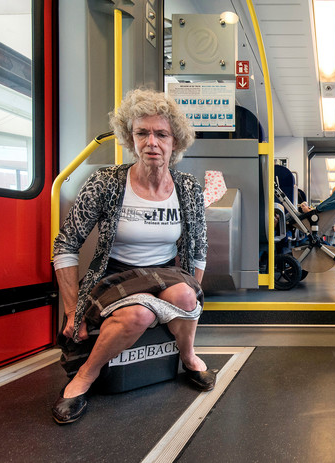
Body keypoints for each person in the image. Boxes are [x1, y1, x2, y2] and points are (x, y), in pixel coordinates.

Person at [51, 88, 215, 424]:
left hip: (166, 271)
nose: (152, 142)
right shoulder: (106, 183)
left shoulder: (187, 188)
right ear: (130, 137)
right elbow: (66, 245)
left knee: (185, 295)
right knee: (138, 315)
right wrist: (72, 311)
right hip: (116, 273)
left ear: (175, 142)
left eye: (161, 134)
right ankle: (86, 375)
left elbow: (198, 248)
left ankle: (188, 355)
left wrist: (194, 296)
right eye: (142, 133)